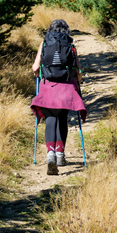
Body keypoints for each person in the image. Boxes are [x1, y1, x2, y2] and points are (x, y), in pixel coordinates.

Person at [31, 19, 87, 175]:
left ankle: (50, 154)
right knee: (62, 118)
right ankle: (60, 154)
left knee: (50, 118)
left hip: (48, 86)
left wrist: (39, 73)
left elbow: (35, 67)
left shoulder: (44, 44)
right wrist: (77, 82)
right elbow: (79, 71)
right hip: (66, 87)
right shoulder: (71, 46)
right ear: (66, 31)